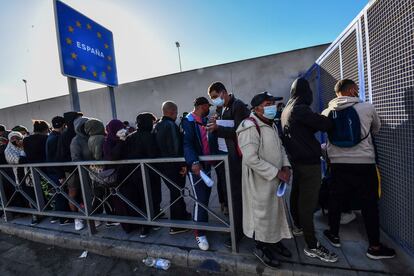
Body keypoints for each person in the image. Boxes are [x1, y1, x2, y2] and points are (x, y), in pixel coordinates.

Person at [322, 79, 395, 260]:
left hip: (337, 163)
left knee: (336, 200)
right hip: (364, 163)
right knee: (369, 204)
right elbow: (376, 128)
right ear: (352, 89)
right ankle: (375, 247)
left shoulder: (327, 111)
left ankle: (334, 234)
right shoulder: (367, 107)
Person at [281, 78, 337, 263]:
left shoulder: (287, 109)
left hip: (297, 161)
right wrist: (331, 112)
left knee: (296, 195)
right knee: (307, 204)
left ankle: (297, 225)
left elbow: (301, 130)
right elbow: (325, 124)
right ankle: (312, 245)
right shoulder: (300, 108)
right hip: (308, 164)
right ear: (306, 92)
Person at [236, 92, 292, 268]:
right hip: (259, 181)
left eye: (273, 103)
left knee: (274, 212)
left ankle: (274, 241)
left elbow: (280, 148)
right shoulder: (249, 126)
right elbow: (250, 159)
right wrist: (276, 172)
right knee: (262, 215)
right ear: (256, 108)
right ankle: (261, 247)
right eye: (268, 103)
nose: (272, 107)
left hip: (275, 179)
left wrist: (286, 166)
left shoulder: (271, 124)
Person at [206, 82, 250, 248]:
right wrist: (214, 124)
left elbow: (242, 132)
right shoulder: (221, 109)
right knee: (230, 195)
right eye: (212, 99)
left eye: (215, 97)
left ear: (224, 93)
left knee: (236, 196)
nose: (214, 101)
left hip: (236, 160)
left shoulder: (238, 106)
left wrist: (218, 128)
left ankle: (238, 232)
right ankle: (236, 227)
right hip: (225, 158)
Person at [183, 96, 216, 251]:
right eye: (208, 106)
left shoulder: (204, 120)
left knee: (206, 196)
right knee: (200, 199)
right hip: (197, 167)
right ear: (202, 106)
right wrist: (193, 162)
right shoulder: (188, 120)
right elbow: (187, 143)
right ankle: (199, 233)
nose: (209, 109)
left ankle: (203, 224)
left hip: (207, 165)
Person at [153, 101, 191, 235]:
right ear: (172, 112)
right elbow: (176, 148)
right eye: (176, 112)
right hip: (173, 166)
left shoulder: (157, 125)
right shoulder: (171, 125)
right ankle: (176, 226)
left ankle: (183, 215)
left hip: (163, 166)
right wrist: (182, 165)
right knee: (176, 193)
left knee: (175, 192)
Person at [121, 114, 161, 237]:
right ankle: (149, 224)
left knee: (140, 198)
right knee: (151, 196)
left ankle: (144, 223)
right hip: (149, 172)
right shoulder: (150, 137)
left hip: (133, 173)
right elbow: (153, 155)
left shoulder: (130, 137)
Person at [46, 116, 70, 225]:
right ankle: (63, 219)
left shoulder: (51, 136)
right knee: (61, 194)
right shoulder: (57, 138)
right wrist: (61, 175)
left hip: (52, 170)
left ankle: (56, 217)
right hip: (57, 171)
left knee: (58, 193)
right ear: (64, 125)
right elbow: (56, 158)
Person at [70, 116, 92, 231]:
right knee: (78, 196)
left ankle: (93, 217)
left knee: (92, 195)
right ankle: (78, 219)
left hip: (93, 173)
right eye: (84, 126)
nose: (86, 128)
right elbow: (75, 158)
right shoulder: (76, 140)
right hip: (79, 174)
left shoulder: (92, 136)